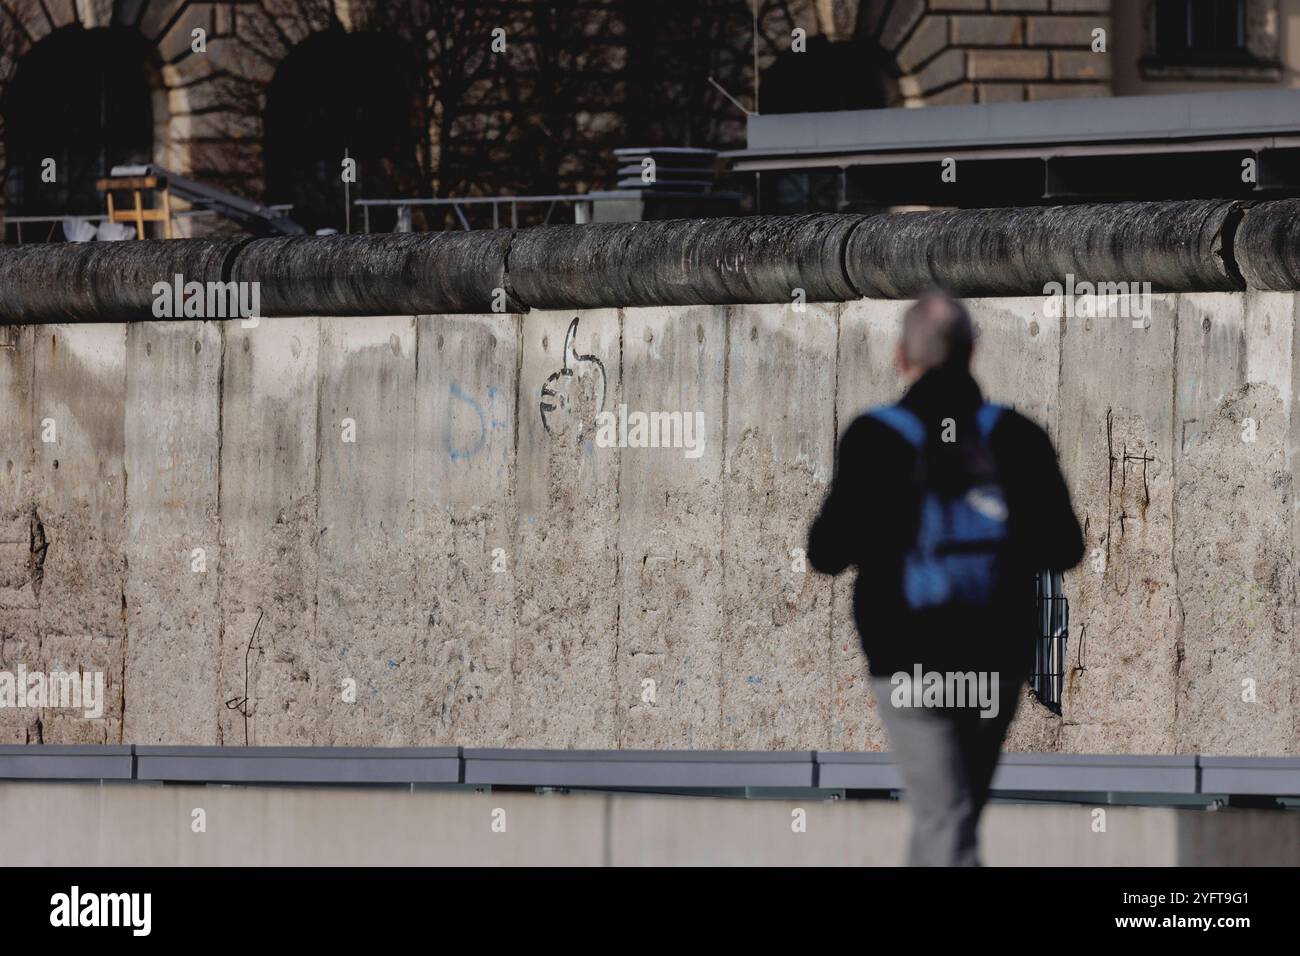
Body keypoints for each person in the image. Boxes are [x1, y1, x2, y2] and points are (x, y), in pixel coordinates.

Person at [807, 292, 1083, 866]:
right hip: (995, 655)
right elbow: (1065, 546)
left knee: (944, 814)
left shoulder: (875, 437)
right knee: (955, 812)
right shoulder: (1016, 436)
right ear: (973, 353)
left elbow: (827, 552)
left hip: (906, 656)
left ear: (900, 355)